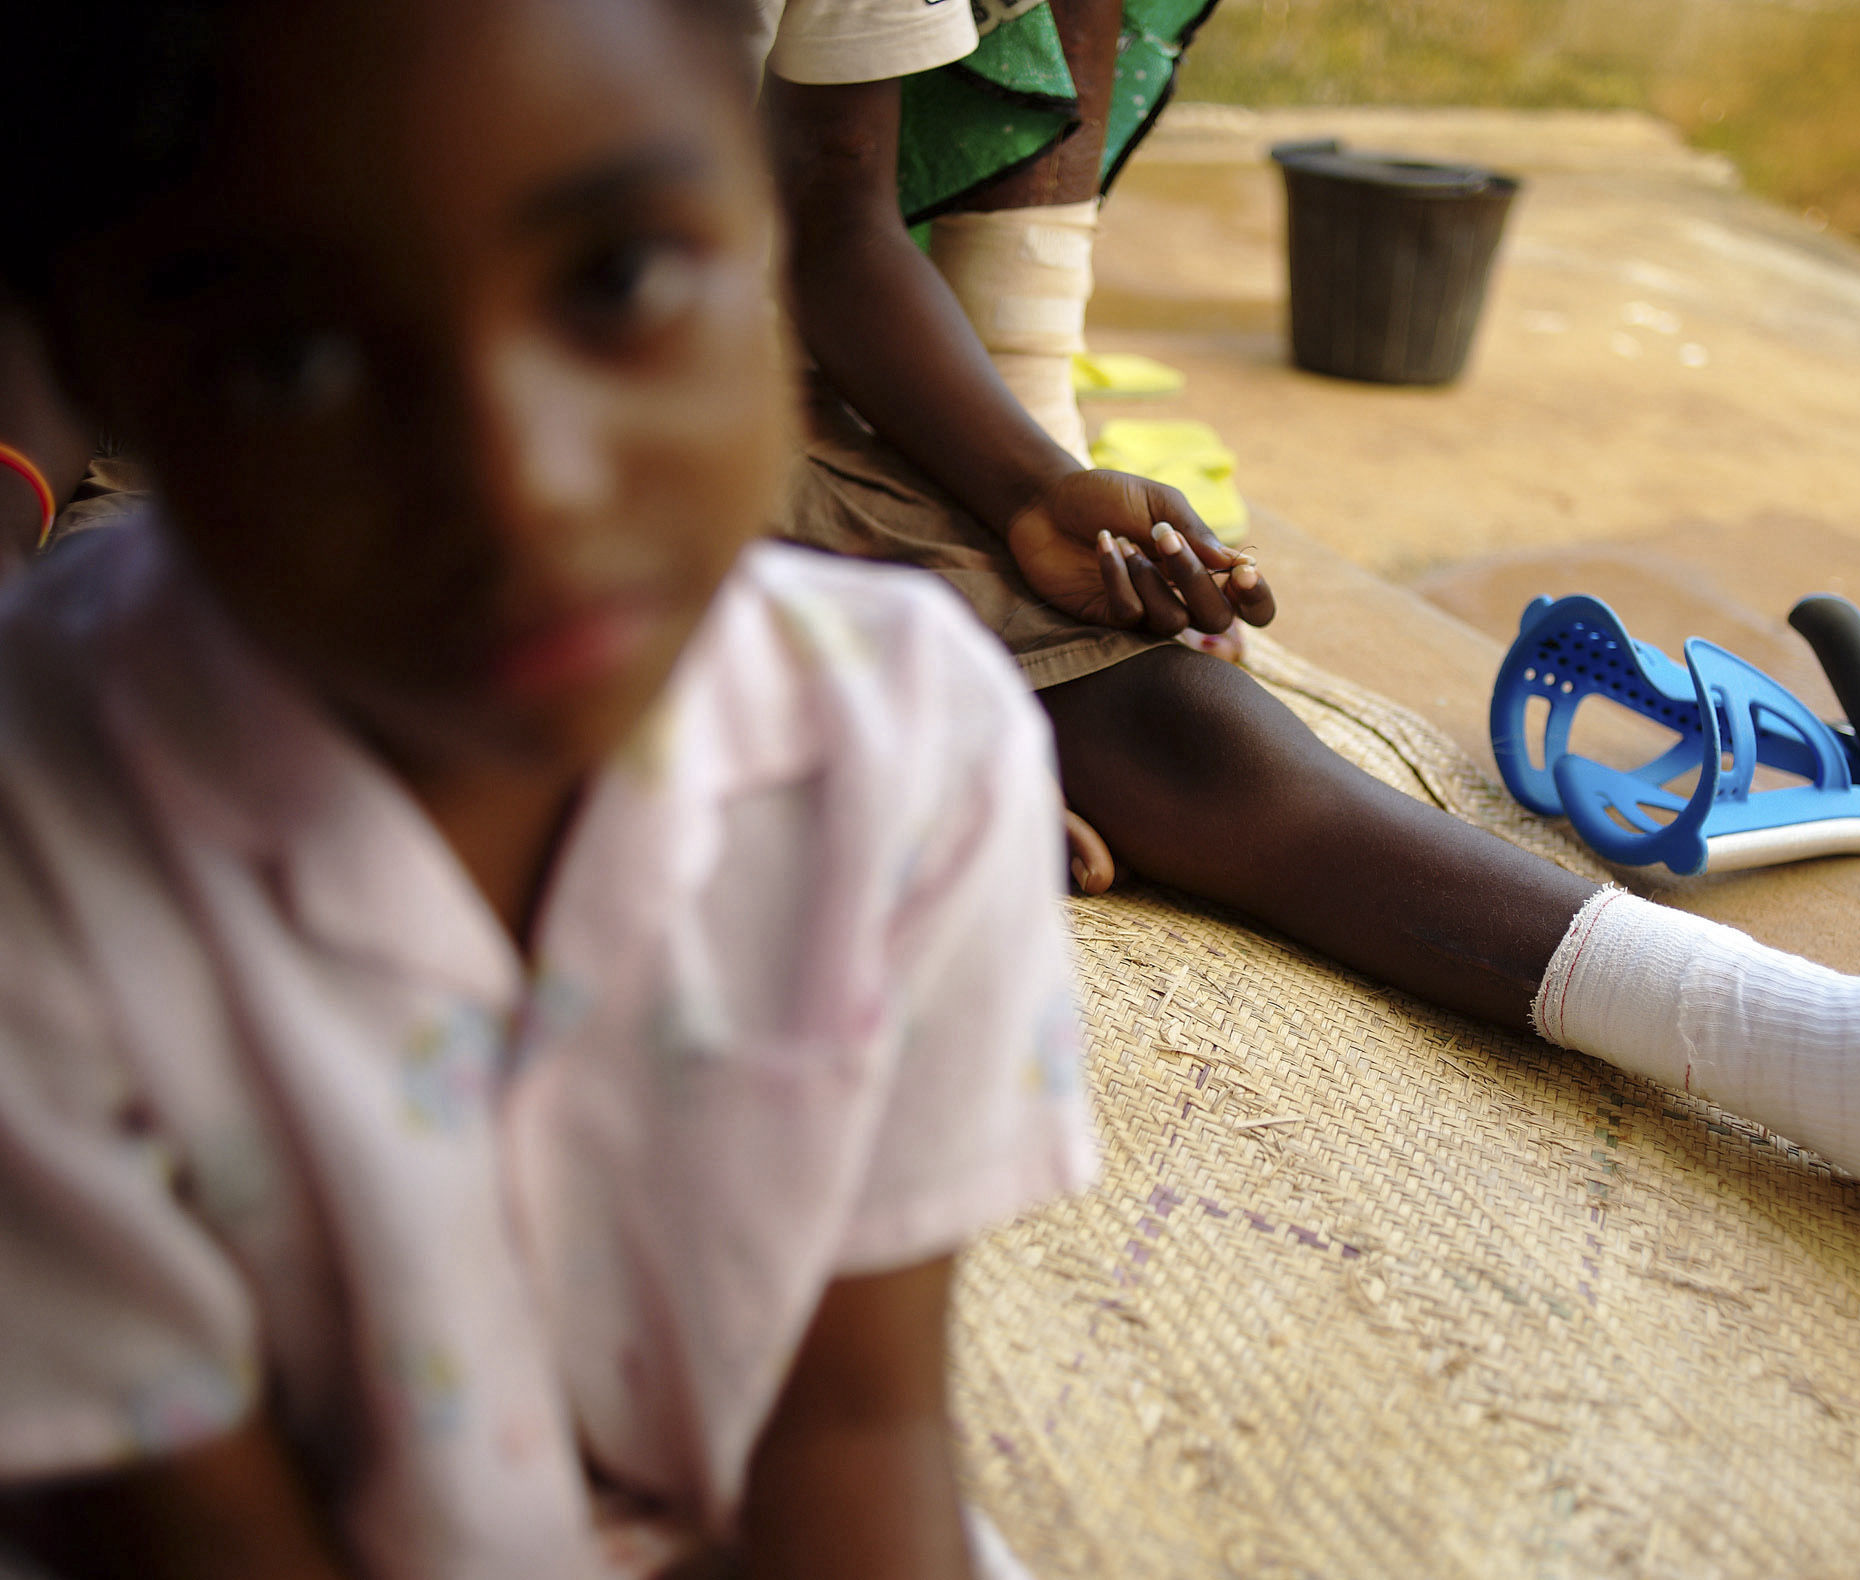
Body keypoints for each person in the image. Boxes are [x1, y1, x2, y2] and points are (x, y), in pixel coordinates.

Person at [763, 0, 1860, 1278]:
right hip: (551, 462)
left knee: (1170, 723)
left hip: (719, 374)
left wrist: (1027, 487)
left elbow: (831, 213)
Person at [0, 1, 1090, 1576]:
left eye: (620, 278)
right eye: (295, 359)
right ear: (94, 361)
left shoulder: (905, 750)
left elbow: (851, 1433)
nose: (522, 488)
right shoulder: (42, 844)